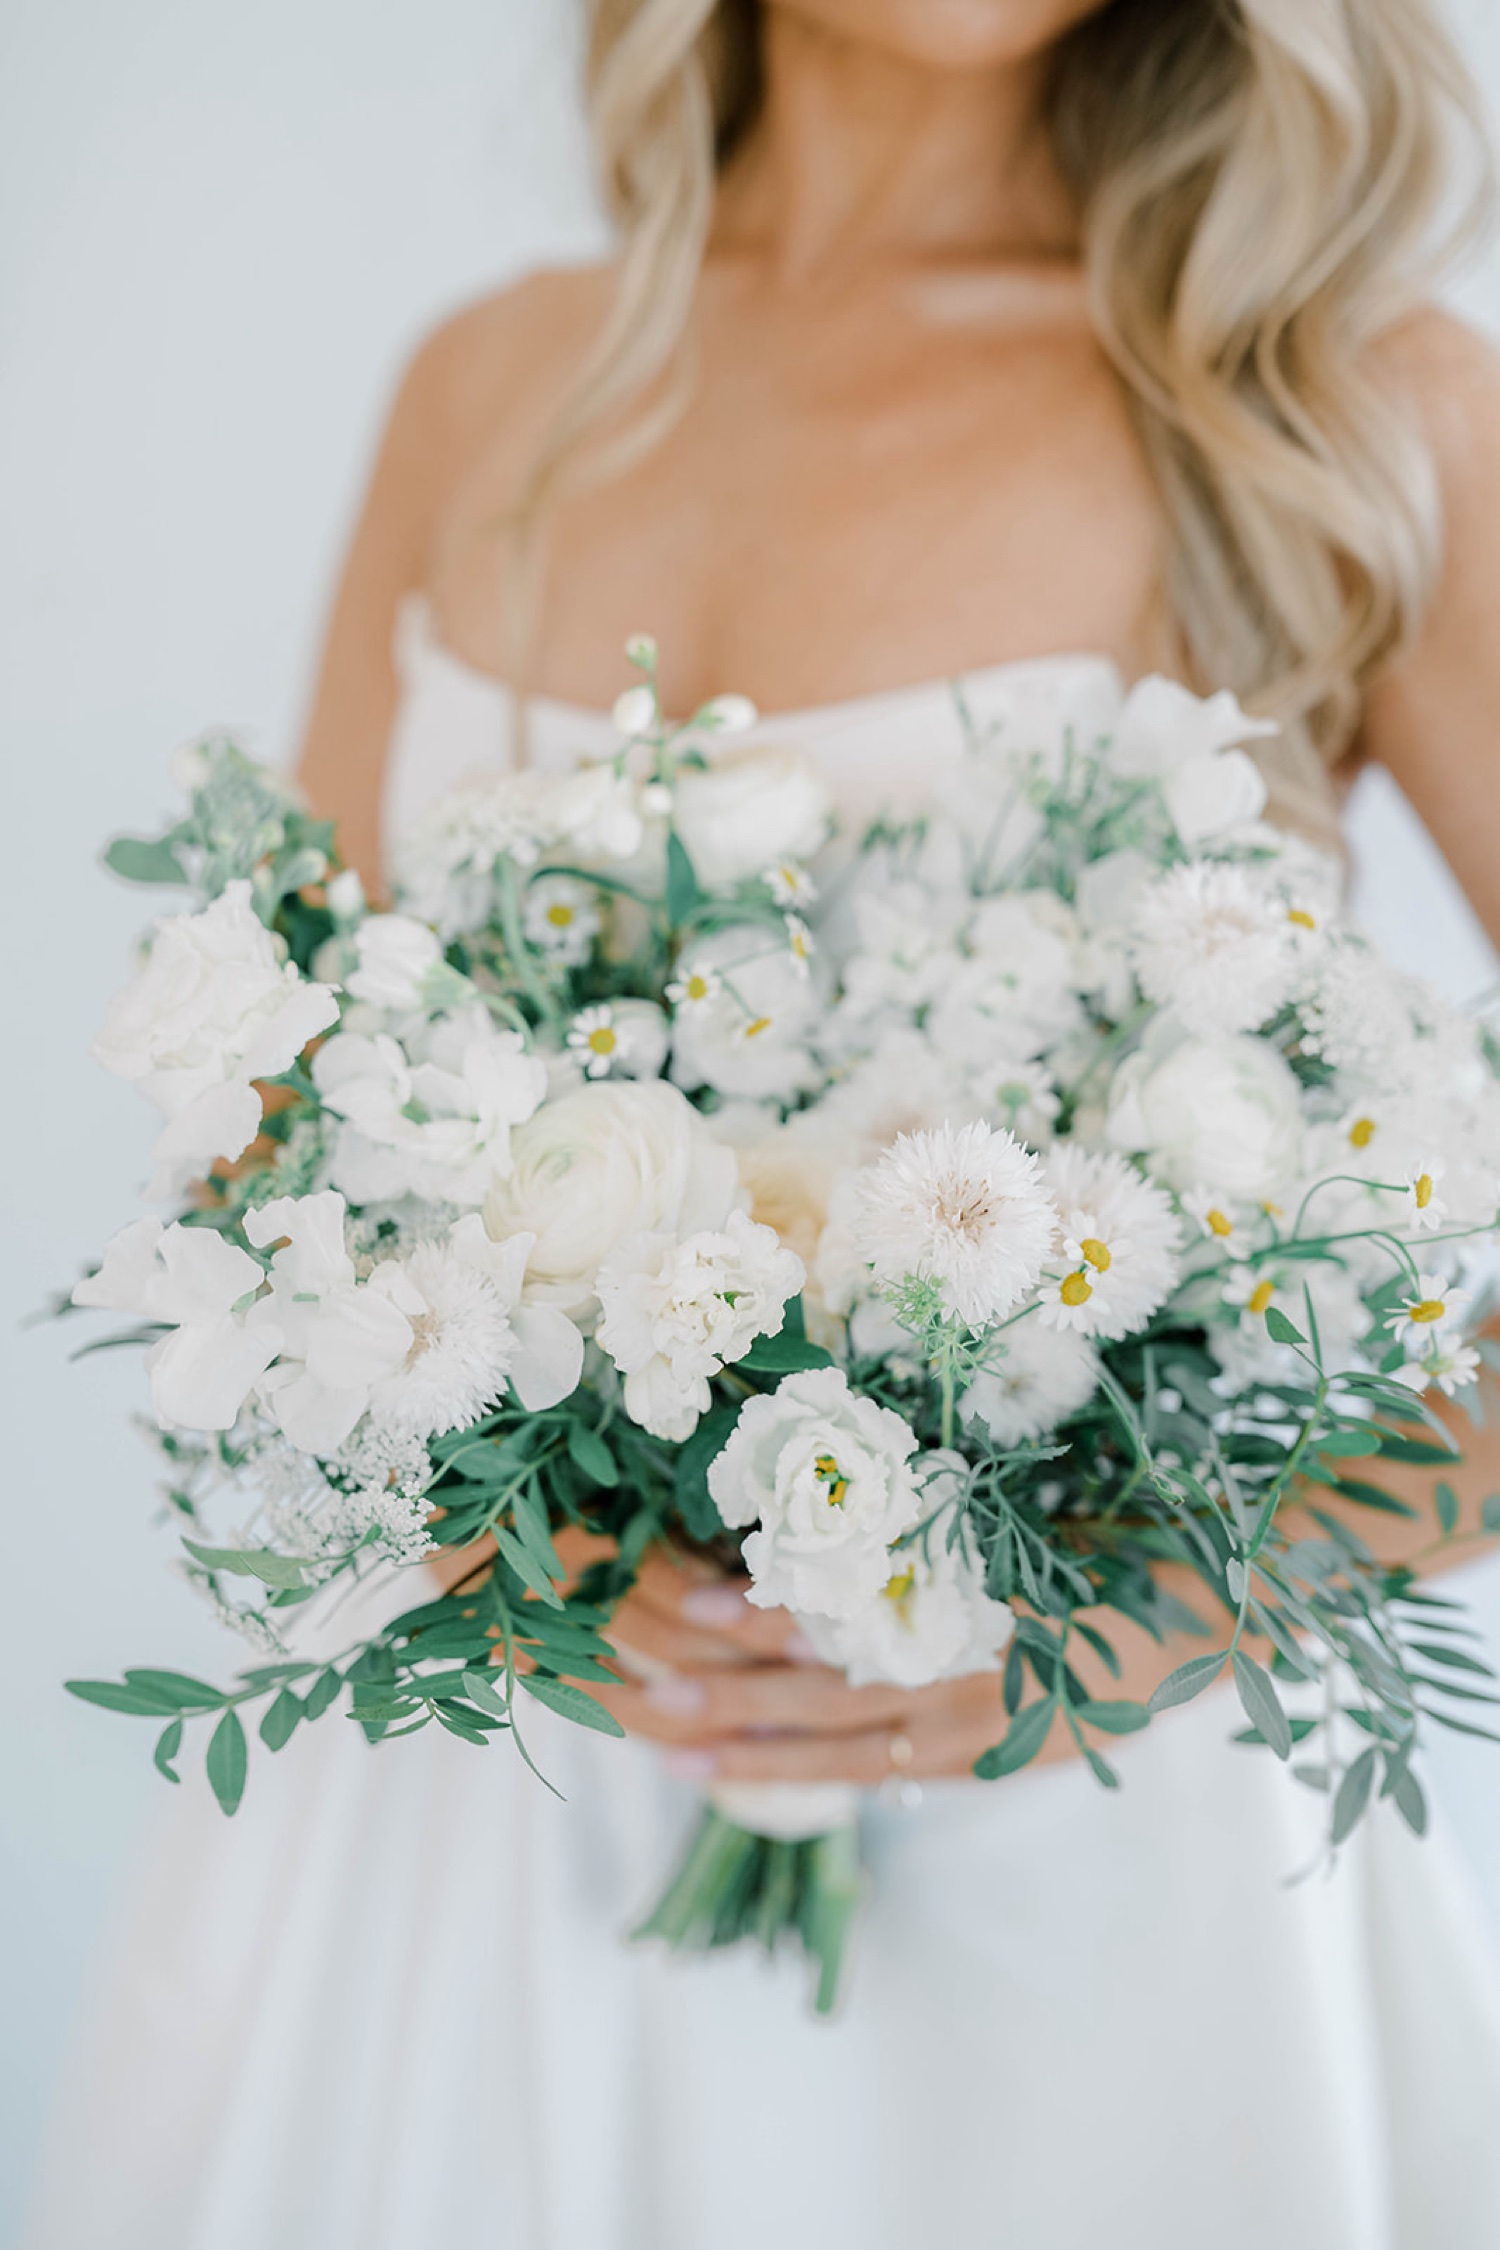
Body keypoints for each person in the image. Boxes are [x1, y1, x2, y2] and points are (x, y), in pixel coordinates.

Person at [26, 4, 1500, 2245]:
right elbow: (270, 1129)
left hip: (1091, 1877)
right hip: (477, 1823)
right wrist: (490, 1543)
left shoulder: (1334, 406)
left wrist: (1176, 1603)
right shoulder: (486, 386)